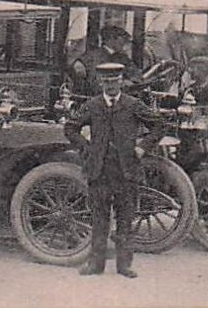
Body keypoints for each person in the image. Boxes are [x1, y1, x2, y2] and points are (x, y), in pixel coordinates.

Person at [64, 61, 164, 278]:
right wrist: (86, 147)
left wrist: (142, 147)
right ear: (101, 82)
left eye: (115, 81)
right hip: (99, 170)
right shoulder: (92, 105)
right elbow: (70, 128)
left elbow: (159, 125)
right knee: (99, 220)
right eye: (107, 82)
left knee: (126, 219)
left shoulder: (133, 104)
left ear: (121, 82)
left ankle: (124, 265)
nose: (111, 86)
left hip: (126, 171)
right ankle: (95, 265)